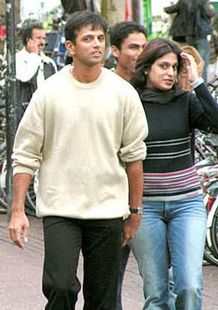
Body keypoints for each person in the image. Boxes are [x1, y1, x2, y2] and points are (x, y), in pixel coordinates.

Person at [8, 11, 148, 310]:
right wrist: (18, 210)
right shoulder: (49, 93)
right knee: (60, 286)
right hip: (61, 207)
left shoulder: (122, 93)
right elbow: (25, 154)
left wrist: (134, 211)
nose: (96, 44)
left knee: (103, 297)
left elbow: (135, 157)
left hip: (108, 208)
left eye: (100, 38)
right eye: (88, 39)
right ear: (70, 47)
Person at [129, 38, 218, 309]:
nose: (170, 73)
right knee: (156, 292)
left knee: (190, 286)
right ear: (146, 68)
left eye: (174, 67)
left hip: (187, 204)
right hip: (145, 207)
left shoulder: (185, 101)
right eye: (163, 66)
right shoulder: (131, 103)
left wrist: (196, 82)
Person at [109, 20, 147, 310]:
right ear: (115, 52)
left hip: (154, 195)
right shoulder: (105, 88)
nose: (141, 53)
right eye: (134, 47)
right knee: (111, 281)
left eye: (145, 47)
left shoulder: (158, 85)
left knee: (161, 281)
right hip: (115, 197)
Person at [15, 22, 57, 121]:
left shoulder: (49, 62)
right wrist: (34, 55)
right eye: (38, 38)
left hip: (46, 114)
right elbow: (24, 77)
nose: (43, 42)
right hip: (24, 114)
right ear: (28, 40)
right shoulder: (17, 58)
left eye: (44, 38)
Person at [164, 0, 214, 82]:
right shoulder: (203, 2)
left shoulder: (183, 1)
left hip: (188, 35)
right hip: (201, 35)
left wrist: (165, 8)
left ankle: (188, 84)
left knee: (187, 61)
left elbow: (170, 10)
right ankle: (201, 85)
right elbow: (210, 14)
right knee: (202, 62)